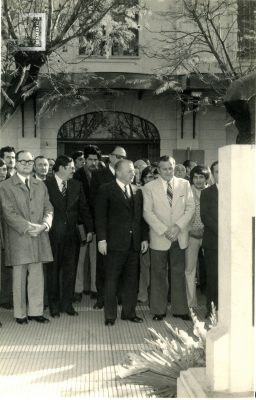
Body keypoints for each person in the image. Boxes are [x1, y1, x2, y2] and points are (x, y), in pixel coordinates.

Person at [0, 151, 53, 325]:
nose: (26, 164)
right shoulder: (6, 186)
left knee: (37, 276)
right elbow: (8, 213)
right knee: (19, 277)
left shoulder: (40, 185)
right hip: (19, 236)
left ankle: (36, 312)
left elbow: (49, 207)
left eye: (29, 161)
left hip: (39, 235)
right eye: (22, 161)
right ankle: (20, 313)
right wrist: (29, 227)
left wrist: (44, 225)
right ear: (16, 164)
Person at [95, 159, 148, 326]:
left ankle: (129, 313)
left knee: (132, 281)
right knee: (111, 281)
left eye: (134, 171)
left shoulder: (137, 190)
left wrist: (144, 238)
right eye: (131, 171)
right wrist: (102, 239)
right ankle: (110, 316)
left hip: (133, 244)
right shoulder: (105, 189)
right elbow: (100, 216)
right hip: (113, 244)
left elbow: (140, 218)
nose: (134, 173)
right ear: (118, 172)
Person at [143, 155, 195, 321]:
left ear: (175, 167)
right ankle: (159, 310)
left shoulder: (185, 184)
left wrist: (177, 227)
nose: (167, 171)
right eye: (164, 168)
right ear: (158, 169)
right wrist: (165, 230)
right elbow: (147, 212)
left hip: (179, 236)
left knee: (179, 273)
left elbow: (190, 208)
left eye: (170, 168)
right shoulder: (149, 187)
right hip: (160, 236)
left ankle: (180, 309)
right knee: (158, 273)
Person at [45, 155, 94, 318]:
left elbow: (84, 209)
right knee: (53, 272)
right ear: (60, 168)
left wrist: (89, 229)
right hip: (52, 236)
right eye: (71, 167)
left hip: (72, 237)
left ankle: (67, 304)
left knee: (70, 271)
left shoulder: (76, 185)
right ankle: (54, 306)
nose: (74, 170)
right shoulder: (46, 185)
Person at [90, 145, 127, 310]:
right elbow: (93, 201)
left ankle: (118, 296)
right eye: (118, 156)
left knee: (121, 264)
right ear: (110, 157)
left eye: (123, 157)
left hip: (123, 228)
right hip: (105, 226)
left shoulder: (128, 174)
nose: (121, 160)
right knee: (103, 264)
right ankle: (101, 298)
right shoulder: (98, 175)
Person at [73, 145, 101, 303]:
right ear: (84, 160)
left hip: (98, 224)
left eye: (95, 160)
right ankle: (78, 289)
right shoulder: (76, 176)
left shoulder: (101, 175)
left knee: (95, 259)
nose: (92, 162)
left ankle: (95, 289)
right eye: (89, 159)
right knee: (80, 259)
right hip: (81, 225)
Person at [185, 165, 210, 308]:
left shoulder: (213, 192)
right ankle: (190, 303)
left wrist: (207, 230)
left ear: (207, 178)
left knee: (211, 268)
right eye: (195, 177)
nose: (198, 180)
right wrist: (190, 231)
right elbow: (181, 214)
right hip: (191, 235)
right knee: (189, 269)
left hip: (209, 235)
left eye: (201, 177)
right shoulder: (187, 192)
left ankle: (212, 303)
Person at [200, 161, 219, 319]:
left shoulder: (237, 190)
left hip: (233, 243)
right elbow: (205, 216)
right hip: (213, 241)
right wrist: (223, 231)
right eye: (218, 172)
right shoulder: (207, 193)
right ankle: (212, 309)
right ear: (212, 174)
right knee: (213, 277)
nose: (222, 174)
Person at [137, 166, 154, 303]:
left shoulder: (159, 190)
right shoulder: (139, 192)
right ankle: (143, 294)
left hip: (159, 233)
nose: (150, 179)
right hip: (145, 233)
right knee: (144, 266)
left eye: (152, 177)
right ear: (142, 179)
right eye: (147, 177)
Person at [0, 159, 13, 311]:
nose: (2, 172)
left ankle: (5, 298)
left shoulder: (9, 187)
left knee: (6, 267)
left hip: (7, 233)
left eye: (3, 169)